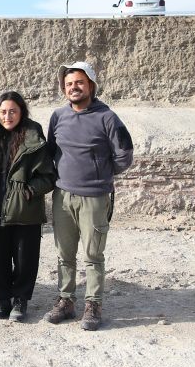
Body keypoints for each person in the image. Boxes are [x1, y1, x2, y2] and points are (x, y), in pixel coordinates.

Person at [44, 61, 134, 331]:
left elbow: (124, 155)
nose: (74, 87)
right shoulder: (58, 117)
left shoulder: (108, 117)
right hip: (63, 196)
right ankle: (66, 300)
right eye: (69, 84)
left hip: (95, 197)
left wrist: (100, 175)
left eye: (79, 82)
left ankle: (93, 305)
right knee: (64, 254)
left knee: (93, 255)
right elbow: (52, 152)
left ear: (91, 86)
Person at [0, 91, 55, 321]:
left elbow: (48, 176)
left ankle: (20, 300)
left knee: (25, 257)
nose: (8, 116)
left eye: (13, 111)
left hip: (25, 210)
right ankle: (2, 299)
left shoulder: (33, 139)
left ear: (22, 112)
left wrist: (28, 191)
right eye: (3, 111)